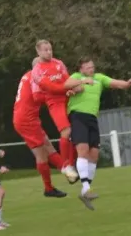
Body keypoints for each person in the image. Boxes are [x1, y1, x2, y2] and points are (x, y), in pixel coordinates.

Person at [67, 56, 131, 210]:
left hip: (92, 118)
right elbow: (66, 84)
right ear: (81, 69)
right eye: (88, 67)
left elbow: (116, 83)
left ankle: (86, 190)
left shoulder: (99, 78)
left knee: (94, 154)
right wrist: (81, 82)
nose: (91, 69)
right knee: (83, 150)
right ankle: (86, 188)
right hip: (78, 116)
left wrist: (127, 83)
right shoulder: (77, 77)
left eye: (92, 66)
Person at [31, 40, 94, 183]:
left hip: (67, 98)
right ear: (38, 52)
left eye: (50, 49)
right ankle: (66, 165)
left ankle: (72, 164)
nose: (48, 52)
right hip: (55, 103)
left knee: (76, 133)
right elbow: (53, 88)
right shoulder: (37, 70)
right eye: (45, 50)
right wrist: (80, 82)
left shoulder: (58, 63)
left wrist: (74, 88)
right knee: (66, 132)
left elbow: (66, 80)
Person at [14, 58, 71, 197]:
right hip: (27, 119)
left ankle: (68, 173)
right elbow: (38, 97)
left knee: (47, 146)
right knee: (42, 153)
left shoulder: (27, 76)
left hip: (25, 117)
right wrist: (59, 92)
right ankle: (50, 187)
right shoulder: (34, 77)